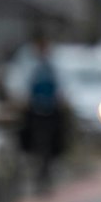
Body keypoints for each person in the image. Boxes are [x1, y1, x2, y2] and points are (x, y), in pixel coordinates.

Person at [20, 33, 66, 191]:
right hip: (35, 111)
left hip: (50, 111)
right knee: (36, 142)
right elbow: (23, 87)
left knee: (49, 141)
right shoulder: (29, 65)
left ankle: (46, 172)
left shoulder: (54, 65)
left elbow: (61, 88)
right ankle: (39, 172)